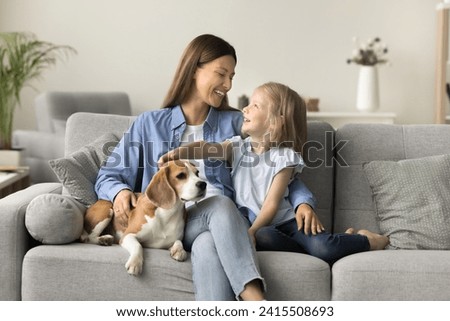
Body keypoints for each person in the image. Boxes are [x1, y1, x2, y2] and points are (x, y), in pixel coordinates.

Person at [95, 34, 323, 301]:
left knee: (209, 240)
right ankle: (256, 300)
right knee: (220, 206)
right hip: (172, 222)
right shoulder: (149, 124)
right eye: (221, 74)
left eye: (232, 77)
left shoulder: (237, 123)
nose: (228, 85)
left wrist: (302, 203)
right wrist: (120, 192)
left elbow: (277, 166)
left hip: (215, 226)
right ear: (194, 70)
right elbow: (108, 175)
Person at [159, 82, 389, 264]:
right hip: (265, 229)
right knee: (265, 237)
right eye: (248, 104)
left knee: (323, 248)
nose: (245, 109)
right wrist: (179, 151)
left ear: (275, 122)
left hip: (288, 223)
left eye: (255, 106)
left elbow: (271, 204)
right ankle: (342, 241)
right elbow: (207, 149)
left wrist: (251, 231)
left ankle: (368, 240)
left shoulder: (285, 157)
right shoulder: (237, 147)